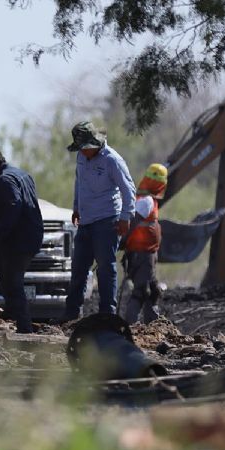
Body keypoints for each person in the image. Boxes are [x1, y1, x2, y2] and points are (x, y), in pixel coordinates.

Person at [64, 121, 136, 321]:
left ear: (93, 144)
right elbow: (79, 183)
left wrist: (125, 217)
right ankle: (71, 316)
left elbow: (129, 190)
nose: (82, 152)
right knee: (78, 268)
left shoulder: (112, 160)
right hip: (86, 222)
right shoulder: (81, 157)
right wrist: (76, 207)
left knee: (105, 268)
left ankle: (107, 316)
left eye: (84, 148)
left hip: (107, 220)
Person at [0, 147, 43, 334]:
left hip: (18, 240)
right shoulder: (21, 174)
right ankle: (13, 312)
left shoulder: (4, 180)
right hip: (29, 236)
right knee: (1, 269)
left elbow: (14, 206)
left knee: (13, 281)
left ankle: (24, 328)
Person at [123, 163, 167, 324]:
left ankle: (153, 325)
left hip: (146, 253)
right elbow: (131, 224)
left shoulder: (144, 199)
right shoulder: (146, 201)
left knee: (151, 291)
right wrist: (122, 242)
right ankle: (129, 327)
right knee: (141, 291)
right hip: (142, 255)